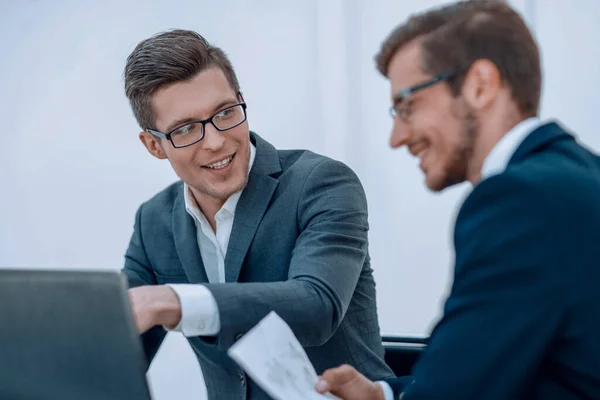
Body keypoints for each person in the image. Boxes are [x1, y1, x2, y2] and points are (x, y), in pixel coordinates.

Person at [316, 1, 600, 399]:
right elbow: (508, 366)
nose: (396, 137)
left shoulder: (518, 202)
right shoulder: (581, 176)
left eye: (407, 105)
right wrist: (382, 394)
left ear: (480, 85)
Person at [120, 29, 393, 399]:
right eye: (185, 129)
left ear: (241, 101)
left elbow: (317, 306)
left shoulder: (321, 183)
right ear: (154, 144)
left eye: (225, 113)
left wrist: (174, 301)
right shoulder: (153, 220)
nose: (215, 141)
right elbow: (118, 347)